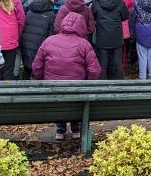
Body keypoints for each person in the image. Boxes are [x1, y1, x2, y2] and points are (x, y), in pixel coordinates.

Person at [32, 12, 100, 140]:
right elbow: (94, 70)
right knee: (76, 101)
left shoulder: (48, 41)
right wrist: (89, 83)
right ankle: (76, 128)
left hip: (54, 90)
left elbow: (37, 66)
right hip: (78, 90)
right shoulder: (84, 44)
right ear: (81, 26)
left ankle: (60, 128)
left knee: (59, 102)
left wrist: (42, 79)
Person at [91, 0, 129, 79]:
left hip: (102, 36)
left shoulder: (96, 2)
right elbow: (125, 16)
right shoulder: (120, 1)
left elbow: (93, 16)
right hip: (116, 35)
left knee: (103, 63)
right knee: (118, 62)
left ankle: (103, 85)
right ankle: (120, 85)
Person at [20, 0, 56, 80]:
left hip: (26, 43)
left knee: (27, 67)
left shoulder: (29, 11)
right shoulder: (51, 15)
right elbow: (50, 33)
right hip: (40, 44)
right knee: (37, 68)